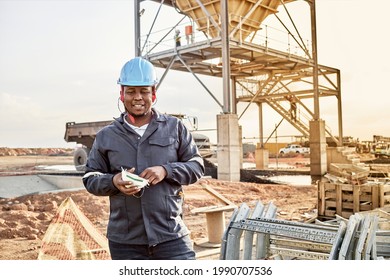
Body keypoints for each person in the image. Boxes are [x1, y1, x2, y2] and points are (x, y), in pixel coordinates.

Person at [82, 57, 205, 260]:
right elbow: (90, 177)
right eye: (130, 91)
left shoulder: (175, 127)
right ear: (121, 94)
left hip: (171, 237)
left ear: (153, 93)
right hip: (126, 243)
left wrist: (166, 170)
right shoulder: (106, 136)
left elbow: (196, 166)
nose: (137, 97)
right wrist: (113, 181)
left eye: (144, 90)